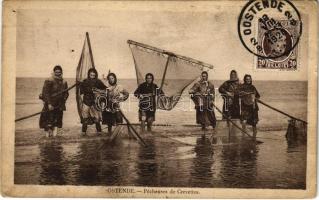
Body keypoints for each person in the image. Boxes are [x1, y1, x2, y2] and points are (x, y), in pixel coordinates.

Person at [39, 65, 69, 137]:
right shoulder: (49, 80)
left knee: (56, 122)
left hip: (59, 105)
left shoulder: (64, 82)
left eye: (59, 72)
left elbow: (66, 93)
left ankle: (54, 137)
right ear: (54, 72)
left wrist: (63, 100)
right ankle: (47, 138)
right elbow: (45, 93)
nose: (58, 73)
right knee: (48, 122)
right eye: (56, 72)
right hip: (50, 104)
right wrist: (49, 104)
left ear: (61, 72)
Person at [79, 68, 107, 136]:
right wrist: (83, 100)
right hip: (86, 101)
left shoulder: (98, 81)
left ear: (95, 74)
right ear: (89, 74)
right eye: (91, 74)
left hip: (94, 102)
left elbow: (105, 89)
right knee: (85, 118)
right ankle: (83, 133)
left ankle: (99, 133)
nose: (92, 75)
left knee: (97, 118)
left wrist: (98, 91)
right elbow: (81, 92)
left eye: (93, 74)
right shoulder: (85, 81)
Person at [239, 74, 260, 139]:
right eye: (247, 79)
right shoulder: (241, 86)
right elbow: (238, 94)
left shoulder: (252, 87)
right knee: (244, 122)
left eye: (249, 79)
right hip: (245, 107)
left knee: (254, 123)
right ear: (245, 80)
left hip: (252, 107)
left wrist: (255, 99)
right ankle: (243, 136)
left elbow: (258, 96)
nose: (248, 80)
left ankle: (254, 136)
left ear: (251, 80)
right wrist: (243, 94)